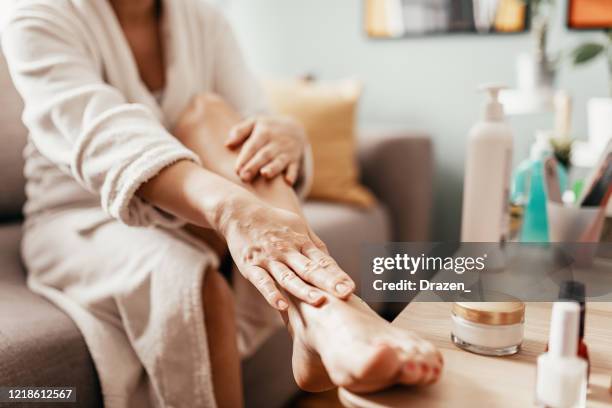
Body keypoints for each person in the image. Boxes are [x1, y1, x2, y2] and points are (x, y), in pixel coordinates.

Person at [2, 0, 443, 407]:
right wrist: (234, 211)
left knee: (210, 112)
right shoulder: (36, 12)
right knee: (192, 284)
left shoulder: (201, 17)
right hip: (83, 217)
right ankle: (331, 313)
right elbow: (101, 134)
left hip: (193, 204)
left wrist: (283, 133)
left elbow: (246, 118)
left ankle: (320, 311)